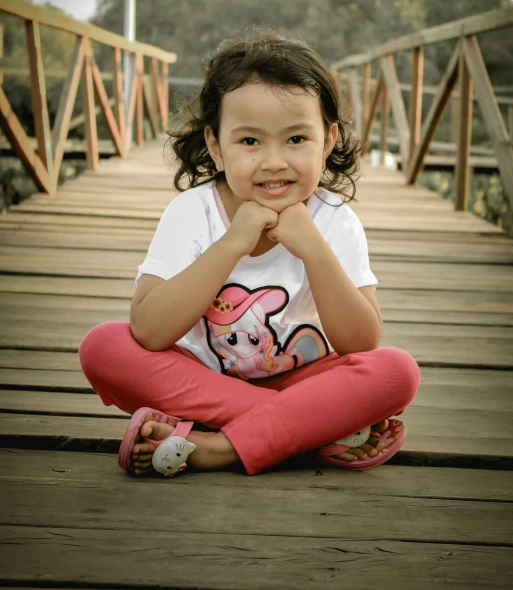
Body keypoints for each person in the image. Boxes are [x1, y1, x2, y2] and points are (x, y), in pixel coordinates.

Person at [79, 31, 420, 478]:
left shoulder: (335, 220)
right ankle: (307, 432)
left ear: (329, 138)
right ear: (216, 146)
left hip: (305, 379)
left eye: (296, 139)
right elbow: (149, 330)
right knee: (105, 348)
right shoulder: (192, 212)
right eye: (250, 142)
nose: (274, 161)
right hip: (202, 379)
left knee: (396, 371)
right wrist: (232, 243)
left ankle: (216, 447)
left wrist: (315, 249)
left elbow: (360, 343)